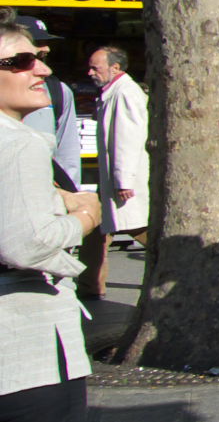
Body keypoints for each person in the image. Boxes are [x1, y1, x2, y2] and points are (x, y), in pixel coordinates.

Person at [0, 8, 101, 422]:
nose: (41, 68)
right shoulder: (20, 143)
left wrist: (56, 198)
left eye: (38, 58)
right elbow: (27, 243)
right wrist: (86, 218)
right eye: (21, 62)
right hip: (26, 350)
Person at [78, 45, 149, 300]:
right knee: (97, 227)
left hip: (123, 177)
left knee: (135, 227)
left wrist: (123, 179)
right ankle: (90, 285)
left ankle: (179, 269)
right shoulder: (113, 92)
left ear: (115, 67)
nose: (90, 73)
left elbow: (128, 138)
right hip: (112, 176)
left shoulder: (126, 93)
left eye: (95, 67)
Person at [14, 16, 81, 189]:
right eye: (36, 42)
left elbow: (68, 153)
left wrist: (71, 195)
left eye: (45, 43)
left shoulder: (58, 91)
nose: (46, 48)